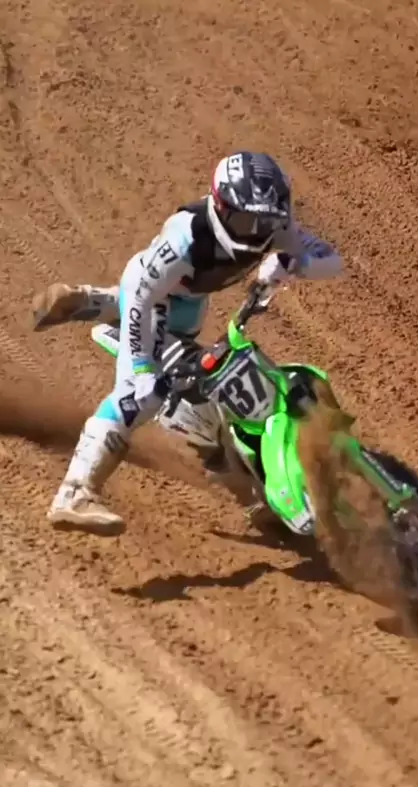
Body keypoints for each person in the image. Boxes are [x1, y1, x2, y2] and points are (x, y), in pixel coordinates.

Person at [33, 151, 344, 535]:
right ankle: (75, 493)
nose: (255, 232)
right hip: (150, 292)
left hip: (191, 299)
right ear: (221, 207)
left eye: (265, 221)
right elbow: (142, 296)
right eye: (246, 221)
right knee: (142, 394)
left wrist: (295, 263)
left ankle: (88, 302)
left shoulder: (273, 225)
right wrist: (142, 367)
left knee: (203, 390)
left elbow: (332, 260)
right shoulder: (184, 239)